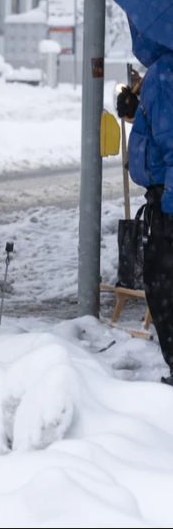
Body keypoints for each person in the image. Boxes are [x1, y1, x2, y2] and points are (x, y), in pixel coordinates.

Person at [117, 27, 173, 384]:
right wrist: (138, 110)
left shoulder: (166, 73)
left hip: (168, 202)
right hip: (164, 199)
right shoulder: (163, 74)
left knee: (163, 286)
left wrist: (169, 207)